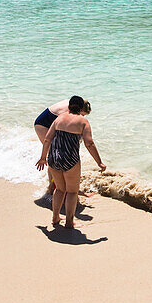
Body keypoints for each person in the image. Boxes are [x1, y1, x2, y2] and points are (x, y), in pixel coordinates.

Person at [35, 96, 104, 229]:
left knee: (60, 189)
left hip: (54, 158)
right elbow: (89, 143)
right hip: (70, 160)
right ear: (81, 108)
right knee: (72, 192)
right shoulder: (83, 122)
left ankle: (55, 218)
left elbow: (48, 139)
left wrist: (43, 157)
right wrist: (99, 162)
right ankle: (69, 222)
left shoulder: (59, 119)